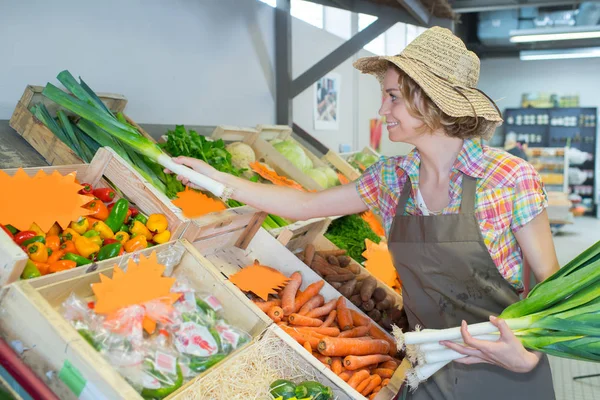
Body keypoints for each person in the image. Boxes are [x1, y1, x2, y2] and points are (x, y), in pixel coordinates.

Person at [167, 27, 560, 399]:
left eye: (393, 97)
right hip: (428, 374)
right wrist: (218, 179)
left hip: (507, 375)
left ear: (430, 100)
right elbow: (304, 205)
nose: (382, 109)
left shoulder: (508, 179)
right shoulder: (392, 179)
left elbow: (551, 286)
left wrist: (528, 357)